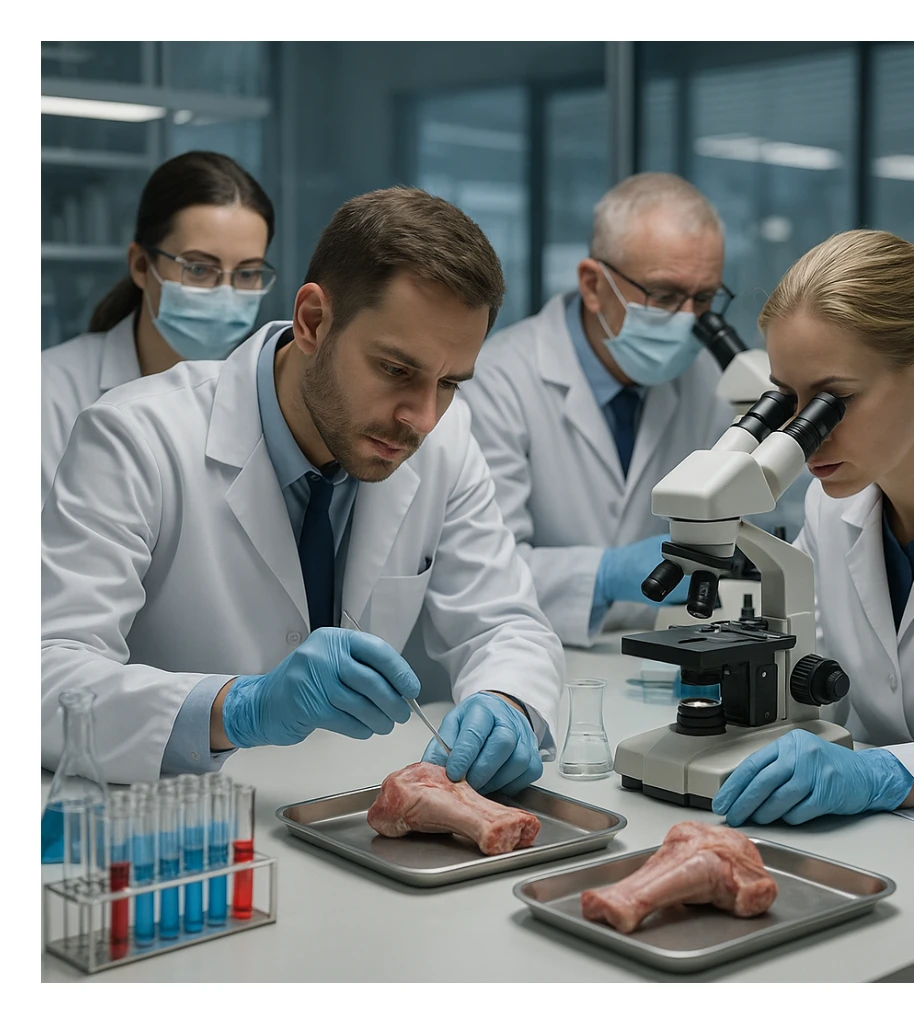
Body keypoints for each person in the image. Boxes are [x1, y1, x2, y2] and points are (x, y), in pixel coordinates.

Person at [42, 186, 564, 796]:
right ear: (313, 322)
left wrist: (507, 701)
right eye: (396, 370)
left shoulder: (445, 439)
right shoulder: (136, 438)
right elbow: (46, 674)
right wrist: (239, 707)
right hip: (176, 823)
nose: (422, 416)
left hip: (340, 816)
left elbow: (504, 623)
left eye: (448, 382)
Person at [712, 229, 914, 828]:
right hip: (889, 855)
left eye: (833, 400)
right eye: (789, 401)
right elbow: (813, 683)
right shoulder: (829, 510)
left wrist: (890, 774)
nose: (807, 435)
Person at [461, 173, 734, 647]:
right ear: (592, 284)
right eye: (665, 296)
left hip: (657, 659)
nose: (689, 321)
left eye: (705, 298)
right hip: (530, 657)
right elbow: (482, 568)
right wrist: (606, 574)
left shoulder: (707, 381)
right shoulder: (497, 379)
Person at [41, 150, 276, 505]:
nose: (225, 294)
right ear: (140, 265)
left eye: (246, 273)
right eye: (198, 269)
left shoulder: (267, 401)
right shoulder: (46, 393)